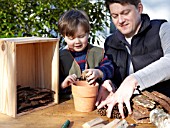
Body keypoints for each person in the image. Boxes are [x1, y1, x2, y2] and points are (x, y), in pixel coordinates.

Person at [97, 0, 170, 119]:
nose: (120, 21)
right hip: (130, 115)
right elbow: (114, 74)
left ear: (139, 8)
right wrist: (109, 83)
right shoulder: (110, 43)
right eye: (115, 16)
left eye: (125, 13)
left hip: (165, 113)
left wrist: (134, 80)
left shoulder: (162, 28)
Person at [58, 9, 116, 98]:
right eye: (71, 38)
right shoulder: (60, 58)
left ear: (88, 33)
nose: (77, 41)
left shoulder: (98, 53)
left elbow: (110, 68)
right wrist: (63, 84)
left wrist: (99, 72)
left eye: (81, 36)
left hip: (95, 99)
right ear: (64, 37)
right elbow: (52, 84)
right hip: (69, 101)